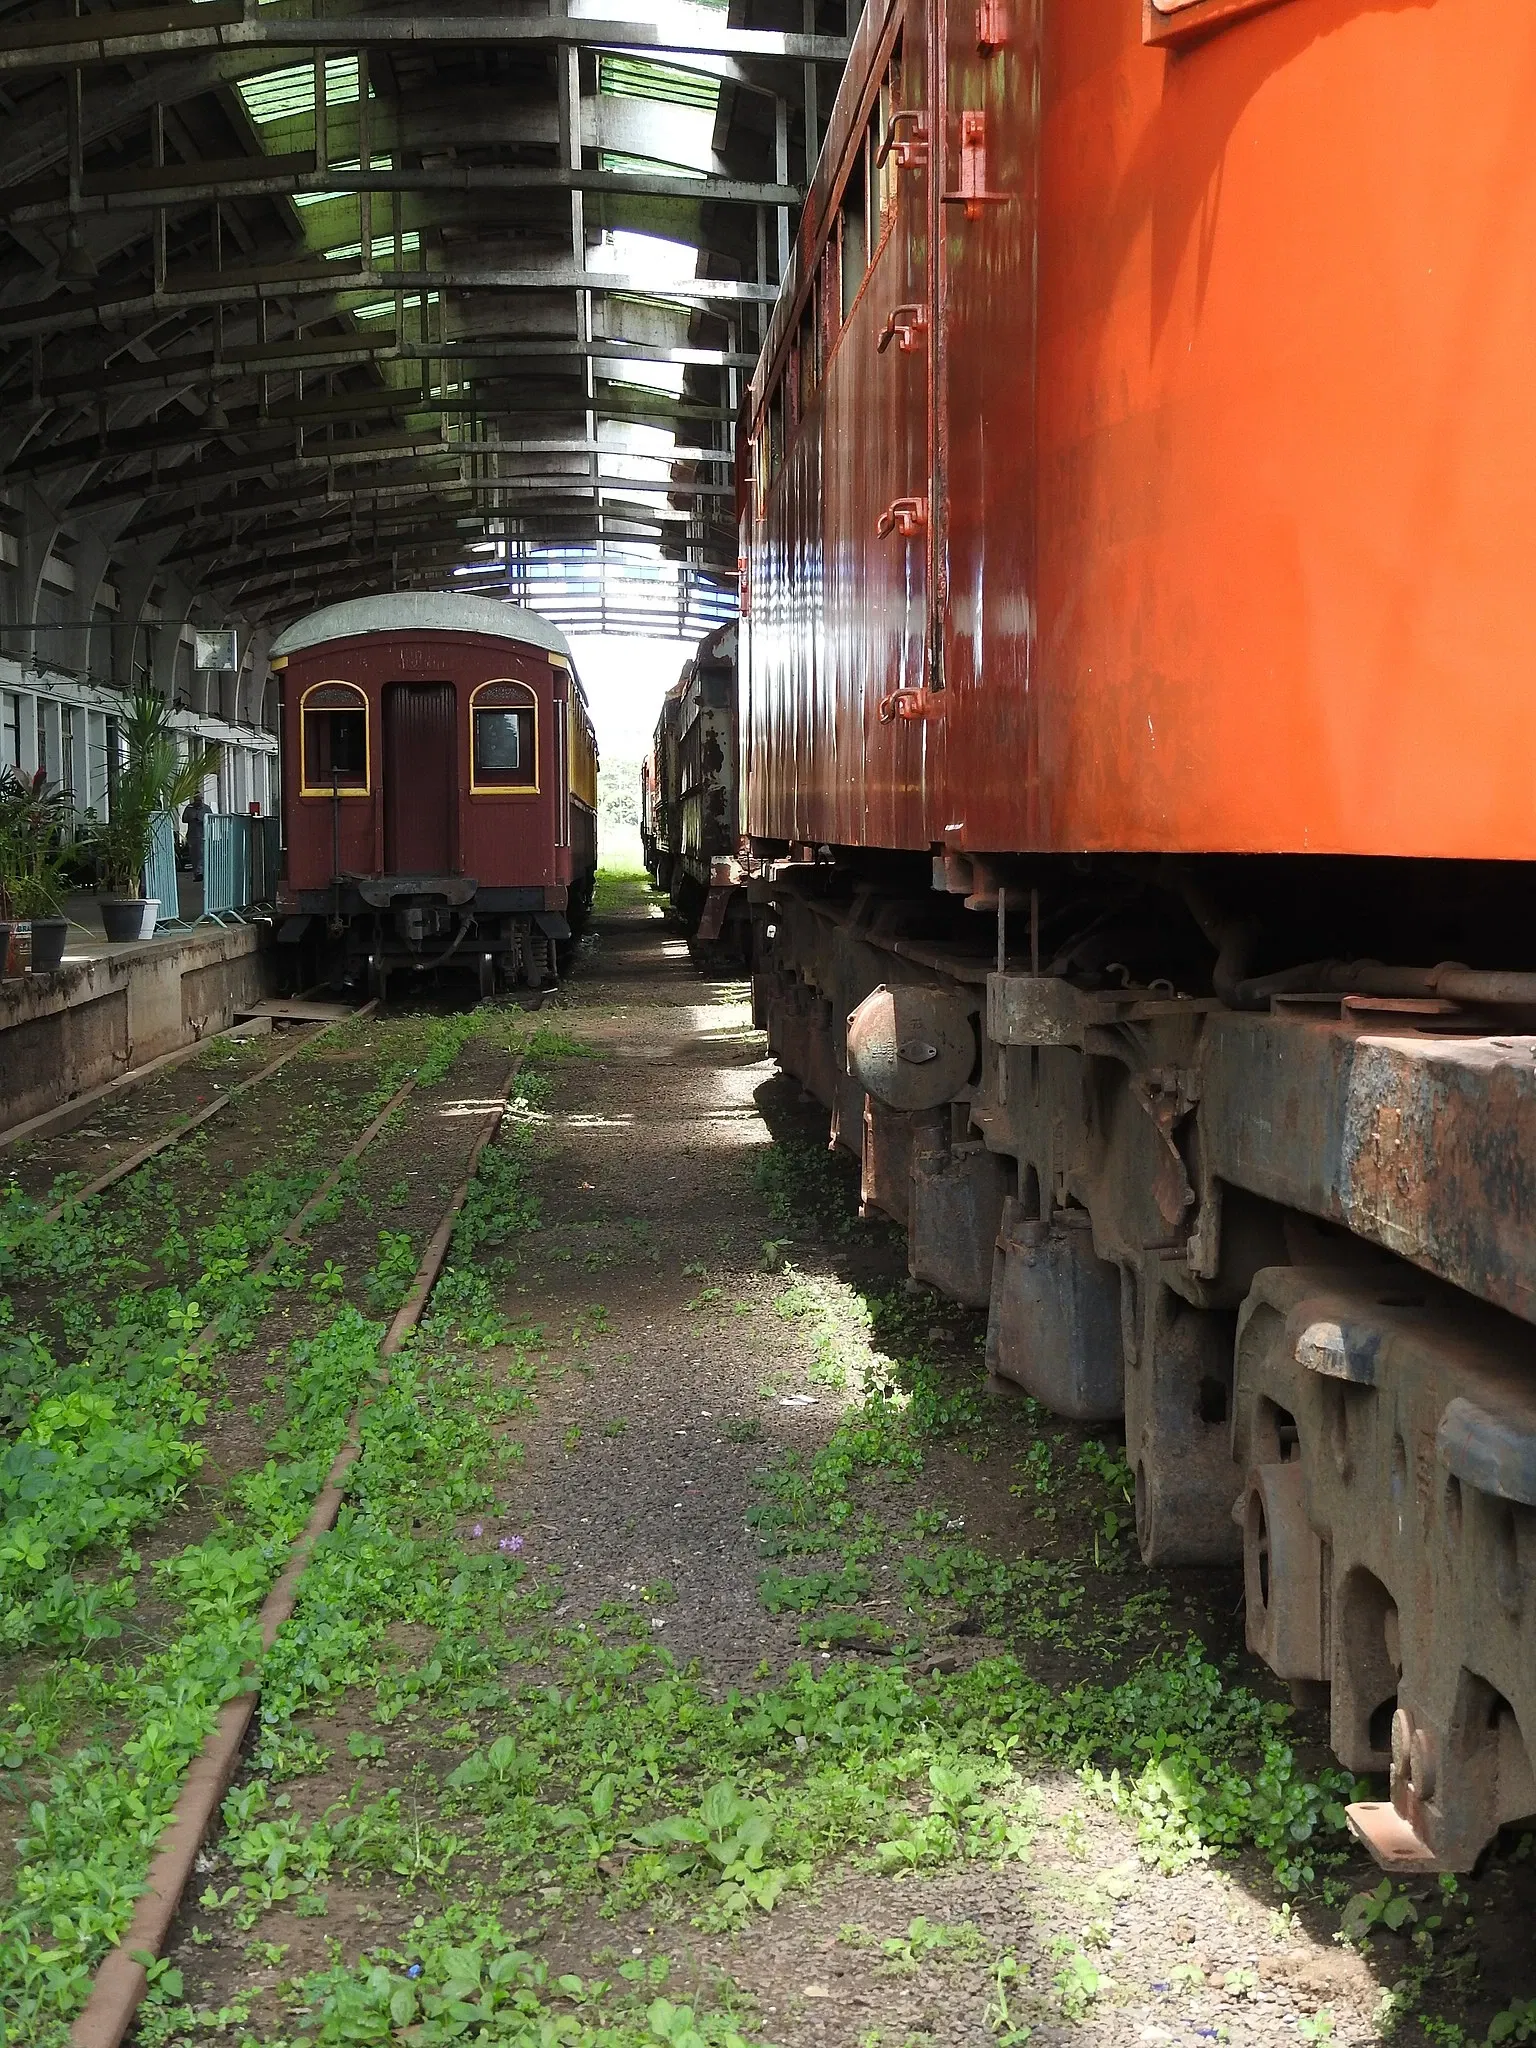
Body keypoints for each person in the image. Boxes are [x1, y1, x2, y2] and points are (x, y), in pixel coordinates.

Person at [183, 792, 211, 881]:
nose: (198, 801)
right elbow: (184, 819)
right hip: (192, 835)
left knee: (202, 854)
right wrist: (192, 818)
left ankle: (200, 872)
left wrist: (202, 820)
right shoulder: (189, 808)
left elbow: (211, 819)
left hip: (203, 834)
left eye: (200, 799)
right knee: (194, 855)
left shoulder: (206, 808)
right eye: (196, 800)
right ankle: (196, 873)